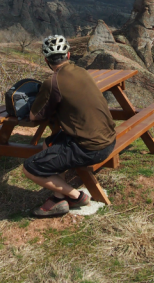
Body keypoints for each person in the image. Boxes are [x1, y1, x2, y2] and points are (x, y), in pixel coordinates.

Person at [22, 35, 117, 217]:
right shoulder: (82, 71)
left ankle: (77, 196)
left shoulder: (53, 82)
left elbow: (34, 116)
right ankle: (59, 198)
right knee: (48, 145)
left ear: (46, 60)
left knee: (30, 167)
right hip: (109, 139)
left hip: (90, 148)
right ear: (68, 55)